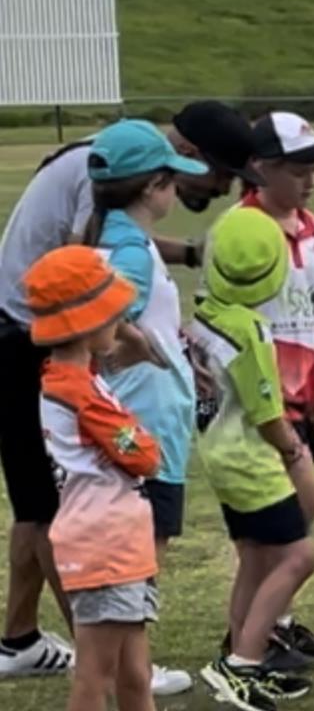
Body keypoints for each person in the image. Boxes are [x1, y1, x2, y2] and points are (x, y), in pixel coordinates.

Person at [0, 101, 261, 690]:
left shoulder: (113, 163)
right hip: (24, 337)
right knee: (52, 507)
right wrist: (142, 348)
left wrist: (183, 271)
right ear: (171, 169)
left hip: (35, 336)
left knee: (39, 503)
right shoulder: (100, 179)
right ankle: (114, 661)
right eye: (218, 177)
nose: (219, 191)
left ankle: (21, 641)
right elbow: (89, 274)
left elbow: (110, 260)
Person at [76, 119, 210, 695]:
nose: (176, 190)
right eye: (172, 180)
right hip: (144, 435)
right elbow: (101, 316)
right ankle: (120, 683)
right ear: (153, 186)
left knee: (132, 585)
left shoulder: (107, 233)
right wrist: (138, 348)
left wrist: (172, 350)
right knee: (132, 583)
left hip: (142, 427)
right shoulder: (129, 244)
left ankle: (136, 686)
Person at [188, 207, 314, 711]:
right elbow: (267, 412)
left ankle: (241, 655)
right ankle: (243, 664)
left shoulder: (203, 315)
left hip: (219, 458)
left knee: (256, 558)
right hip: (251, 463)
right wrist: (292, 448)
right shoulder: (251, 331)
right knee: (299, 555)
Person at [25, 246, 161, 711]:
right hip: (105, 544)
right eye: (112, 312)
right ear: (86, 322)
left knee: (135, 673)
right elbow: (144, 456)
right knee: (94, 675)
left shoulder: (67, 376)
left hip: (115, 539)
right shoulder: (79, 390)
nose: (120, 319)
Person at [238, 111, 314, 660]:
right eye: (299, 168)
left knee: (289, 523)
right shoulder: (240, 233)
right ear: (260, 168)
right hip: (258, 406)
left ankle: (272, 625)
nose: (310, 179)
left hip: (304, 396)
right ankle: (250, 643)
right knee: (278, 529)